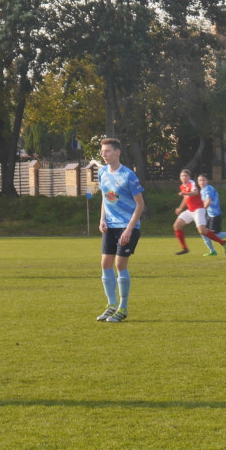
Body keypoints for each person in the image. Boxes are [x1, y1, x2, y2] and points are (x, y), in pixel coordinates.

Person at [96, 138, 146, 323]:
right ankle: (111, 306)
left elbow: (140, 205)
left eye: (108, 151)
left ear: (117, 152)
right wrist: (102, 219)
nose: (104, 154)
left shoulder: (128, 176)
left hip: (127, 226)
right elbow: (104, 198)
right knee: (105, 264)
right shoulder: (102, 172)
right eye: (103, 151)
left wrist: (129, 229)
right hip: (110, 226)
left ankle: (123, 308)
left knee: (119, 265)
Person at [173, 169, 226, 255]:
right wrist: (180, 208)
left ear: (189, 177)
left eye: (186, 176)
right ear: (180, 177)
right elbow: (185, 198)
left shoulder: (191, 183)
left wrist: (185, 193)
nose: (184, 177)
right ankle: (185, 248)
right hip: (190, 210)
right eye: (182, 176)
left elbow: (195, 192)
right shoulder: (182, 186)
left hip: (199, 209)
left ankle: (222, 243)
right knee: (177, 225)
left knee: (202, 231)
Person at [197, 173, 226, 256]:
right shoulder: (202, 191)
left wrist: (202, 210)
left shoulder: (208, 189)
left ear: (207, 181)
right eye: (199, 180)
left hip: (215, 215)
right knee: (203, 232)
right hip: (209, 215)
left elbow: (208, 201)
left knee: (215, 235)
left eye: (203, 180)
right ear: (198, 182)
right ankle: (212, 251)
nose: (201, 182)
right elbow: (203, 203)